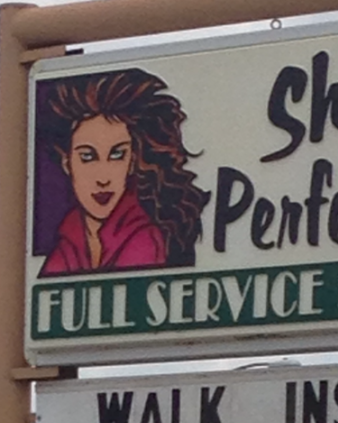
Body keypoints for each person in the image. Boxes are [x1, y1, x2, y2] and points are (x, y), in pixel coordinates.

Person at [38, 68, 210, 276]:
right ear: (67, 163)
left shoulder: (145, 237)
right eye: (88, 157)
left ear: (132, 161)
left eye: (117, 155)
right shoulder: (69, 238)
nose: (103, 179)